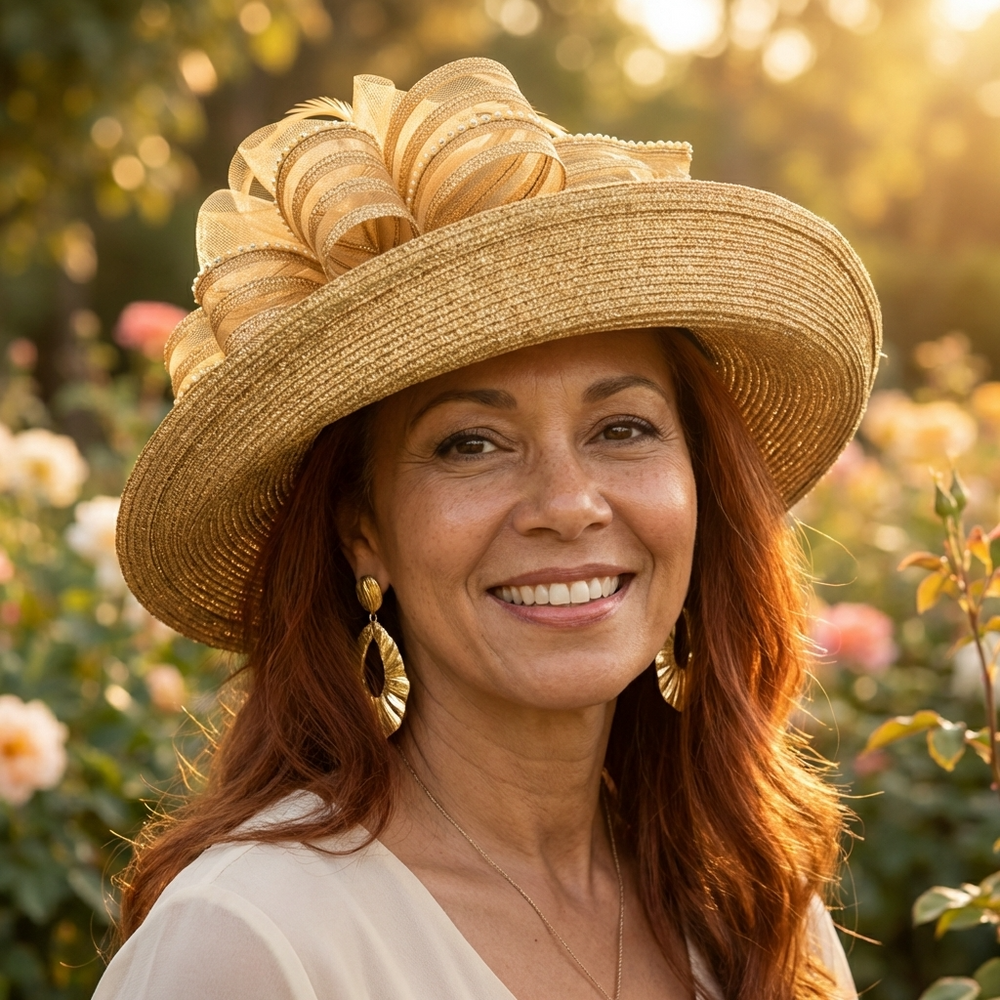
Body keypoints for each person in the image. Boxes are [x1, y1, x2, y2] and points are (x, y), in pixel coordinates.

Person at [97, 57, 879, 1000]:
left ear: (700, 482)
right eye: (470, 444)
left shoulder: (755, 903)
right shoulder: (252, 941)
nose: (569, 504)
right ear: (362, 532)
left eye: (622, 429)